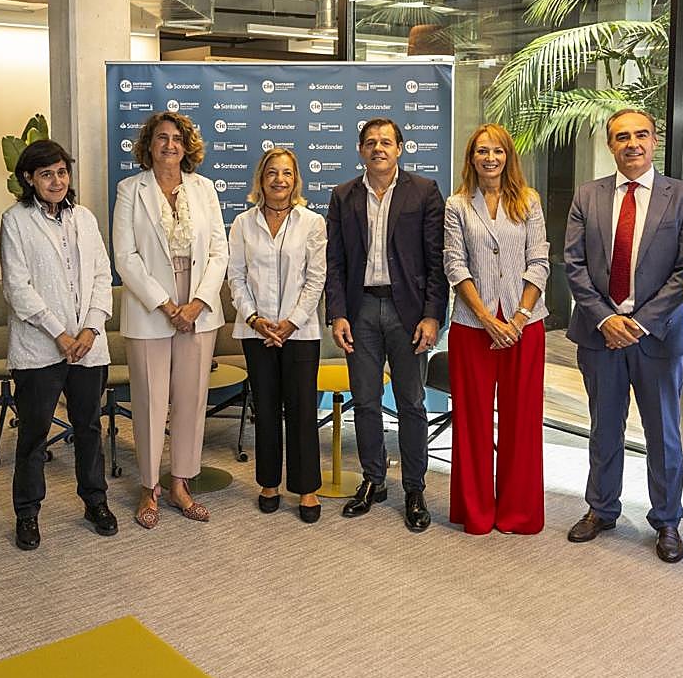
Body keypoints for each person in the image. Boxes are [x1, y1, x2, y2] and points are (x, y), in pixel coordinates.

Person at [563, 108, 683, 562]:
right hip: (600, 333)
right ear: (611, 146)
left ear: (654, 139)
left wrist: (640, 322)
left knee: (663, 433)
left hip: (658, 336)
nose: (632, 144)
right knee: (604, 426)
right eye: (621, 137)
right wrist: (607, 318)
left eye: (641, 134)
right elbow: (574, 264)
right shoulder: (588, 195)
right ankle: (601, 509)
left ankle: (667, 520)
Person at [325, 116, 448, 532]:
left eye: (386, 142)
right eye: (370, 142)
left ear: (400, 149)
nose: (378, 148)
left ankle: (414, 486)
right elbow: (335, 263)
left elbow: (437, 263)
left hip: (408, 314)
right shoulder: (343, 196)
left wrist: (433, 316)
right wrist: (337, 313)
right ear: (360, 150)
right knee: (365, 401)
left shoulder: (425, 192)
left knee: (412, 402)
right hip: (360, 312)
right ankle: (374, 480)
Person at [112, 111, 228, 528]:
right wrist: (165, 304)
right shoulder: (130, 190)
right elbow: (125, 256)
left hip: (198, 307)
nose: (170, 145)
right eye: (161, 138)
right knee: (149, 400)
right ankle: (148, 486)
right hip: (150, 308)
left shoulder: (205, 189)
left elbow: (219, 251)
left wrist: (197, 303)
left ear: (187, 145)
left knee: (191, 400)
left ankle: (180, 483)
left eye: (177, 138)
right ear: (149, 145)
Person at [0, 140, 117, 548]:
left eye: (62, 172)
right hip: (39, 347)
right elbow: (17, 287)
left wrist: (89, 329)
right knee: (34, 433)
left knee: (88, 427)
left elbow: (103, 276)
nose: (56, 181)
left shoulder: (84, 218)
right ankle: (28, 512)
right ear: (29, 178)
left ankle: (95, 500)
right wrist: (60, 333)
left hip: (88, 345)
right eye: (46, 174)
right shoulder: (15, 220)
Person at [443, 124, 549, 535]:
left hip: (525, 324)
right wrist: (488, 319)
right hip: (473, 325)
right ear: (471, 158)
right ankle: (476, 512)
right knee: (471, 421)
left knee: (522, 420)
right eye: (482, 151)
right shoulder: (457, 205)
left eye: (498, 151)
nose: (490, 158)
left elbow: (539, 260)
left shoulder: (529, 201)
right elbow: (455, 264)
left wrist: (518, 318)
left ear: (509, 157)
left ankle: (518, 513)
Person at [227, 147, 327, 523]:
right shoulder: (242, 224)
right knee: (265, 409)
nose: (279, 180)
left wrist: (291, 323)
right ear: (261, 179)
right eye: (272, 173)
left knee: (301, 411)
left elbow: (316, 278)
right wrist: (255, 319)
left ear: (295, 180)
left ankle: (306, 489)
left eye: (286, 173)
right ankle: (268, 484)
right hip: (256, 332)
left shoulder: (312, 223)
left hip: (299, 333)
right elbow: (235, 277)